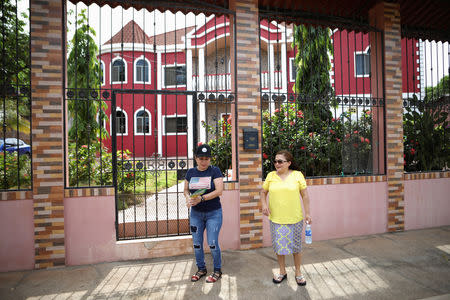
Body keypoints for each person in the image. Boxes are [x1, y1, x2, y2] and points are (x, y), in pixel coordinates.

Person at [260, 150, 312, 286]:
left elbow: (305, 196)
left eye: (280, 161)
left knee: (296, 247)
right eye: (275, 161)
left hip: (295, 218)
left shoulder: (297, 175)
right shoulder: (271, 176)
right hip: (276, 219)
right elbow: (263, 192)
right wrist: (264, 204)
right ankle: (282, 271)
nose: (277, 164)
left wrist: (307, 213)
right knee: (279, 247)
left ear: (289, 163)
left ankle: (298, 272)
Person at [184, 144, 224, 283]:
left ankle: (217, 270)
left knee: (212, 243)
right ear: (196, 158)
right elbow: (185, 190)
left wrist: (201, 198)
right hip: (196, 214)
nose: (204, 161)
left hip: (213, 213)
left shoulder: (215, 171)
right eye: (201, 158)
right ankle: (201, 269)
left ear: (210, 159)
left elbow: (219, 191)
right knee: (197, 244)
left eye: (207, 158)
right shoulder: (190, 172)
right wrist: (188, 198)